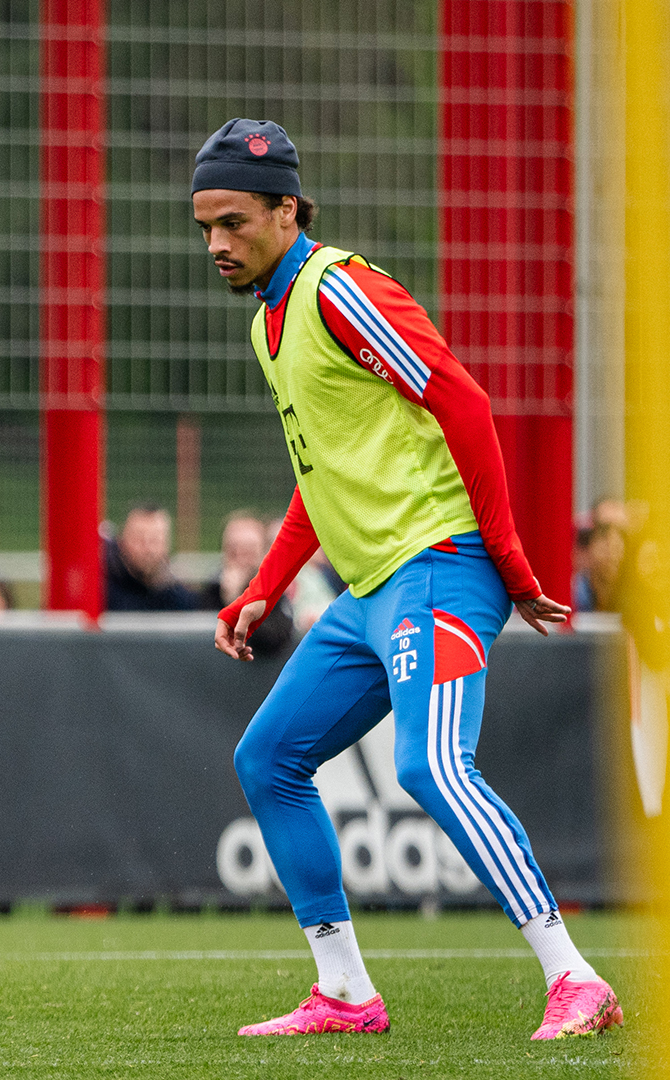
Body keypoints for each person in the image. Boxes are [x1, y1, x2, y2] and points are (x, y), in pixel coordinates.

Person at [195, 118, 617, 1040]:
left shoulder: (340, 289)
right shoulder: (273, 322)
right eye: (205, 228)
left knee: (431, 766)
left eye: (234, 222)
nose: (217, 244)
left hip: (442, 565)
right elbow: (322, 475)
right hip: (375, 587)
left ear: (286, 210)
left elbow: (461, 398)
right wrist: (266, 583)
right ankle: (345, 992)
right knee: (269, 759)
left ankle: (575, 979)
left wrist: (505, 558)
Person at [201, 510, 293, 654]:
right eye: (233, 550)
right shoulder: (211, 591)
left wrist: (237, 600)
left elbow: (275, 640)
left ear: (264, 553)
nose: (241, 559)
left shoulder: (275, 595)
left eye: (248, 551)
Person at [103, 503, 199, 611]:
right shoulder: (102, 592)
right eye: (139, 539)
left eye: (155, 539)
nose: (148, 548)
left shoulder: (181, 600)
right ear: (121, 542)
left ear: (167, 544)